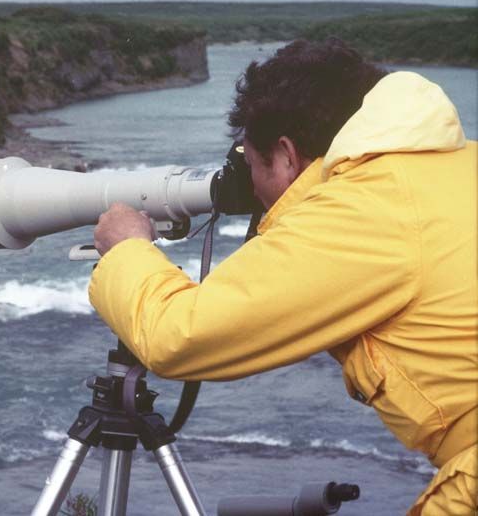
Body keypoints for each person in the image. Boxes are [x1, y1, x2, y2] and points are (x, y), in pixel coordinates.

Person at [89, 38, 477, 515]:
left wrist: (128, 247)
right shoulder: (453, 164)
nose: (252, 188)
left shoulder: (362, 208)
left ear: (288, 155)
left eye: (252, 166)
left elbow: (177, 334)